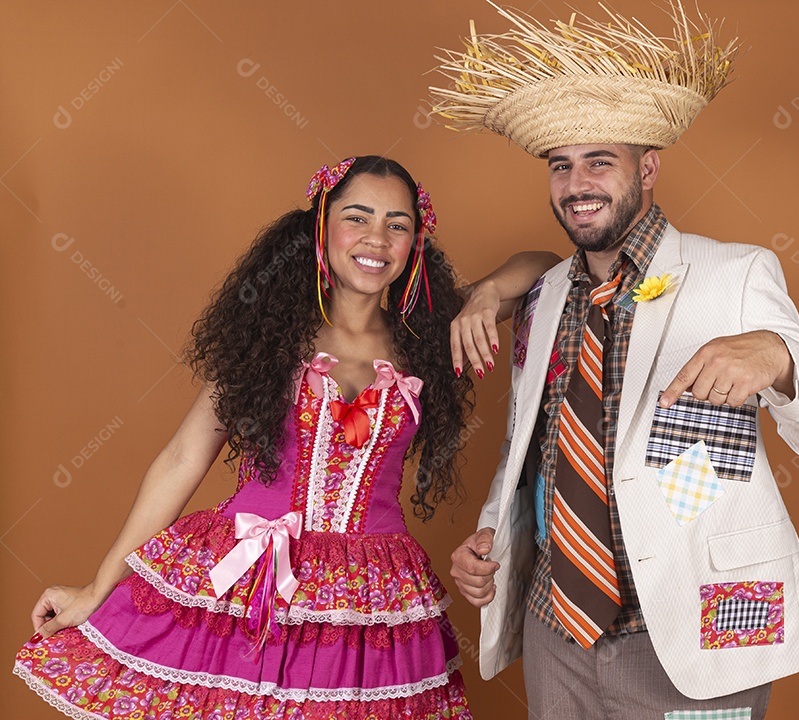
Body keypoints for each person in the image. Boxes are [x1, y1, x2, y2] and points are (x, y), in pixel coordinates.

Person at [434, 4, 799, 719]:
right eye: (561, 166)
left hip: (702, 625)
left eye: (600, 161)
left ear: (649, 167)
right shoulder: (542, 299)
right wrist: (492, 544)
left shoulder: (735, 273)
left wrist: (781, 357)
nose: (578, 184)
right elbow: (535, 449)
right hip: (554, 629)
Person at [13, 155, 552, 719]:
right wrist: (98, 588)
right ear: (319, 227)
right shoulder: (269, 339)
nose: (377, 238)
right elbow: (181, 459)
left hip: (368, 602)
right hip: (250, 583)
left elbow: (545, 263)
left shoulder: (431, 338)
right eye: (358, 217)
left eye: (398, 224)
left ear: (416, 242)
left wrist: (487, 294)